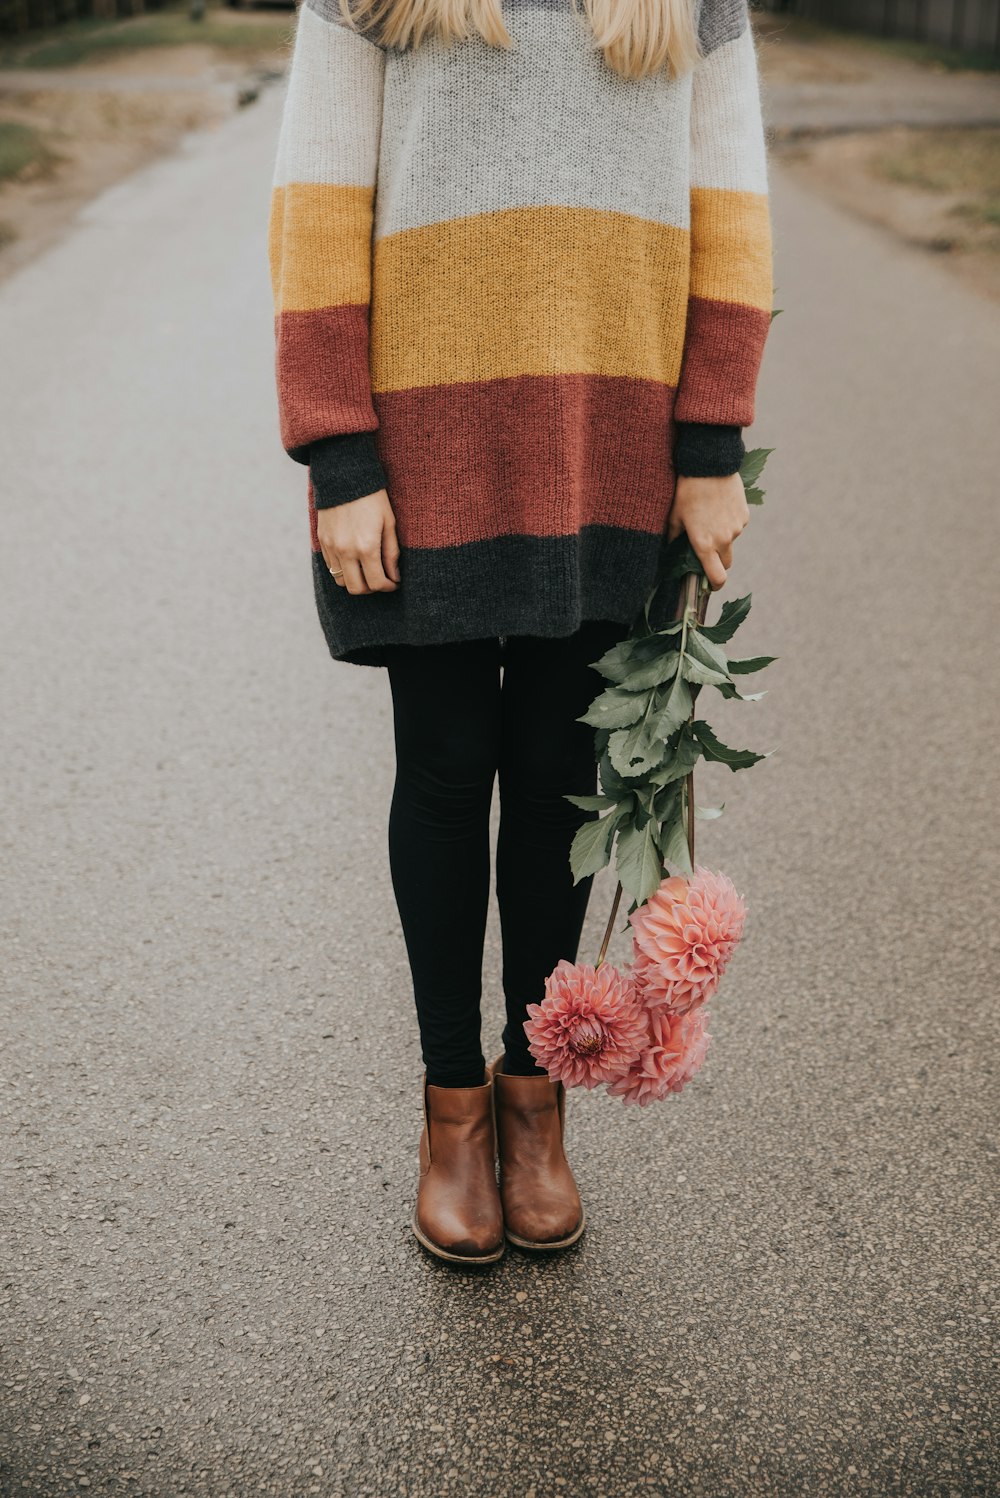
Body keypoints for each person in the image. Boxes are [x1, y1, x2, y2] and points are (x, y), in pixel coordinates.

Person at [267, 0, 773, 1264]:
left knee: (559, 776)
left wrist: (712, 446)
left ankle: (531, 1095)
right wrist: (337, 449)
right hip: (426, 436)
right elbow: (317, 202)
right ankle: (453, 1111)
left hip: (613, 441)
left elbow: (733, 206)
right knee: (444, 769)